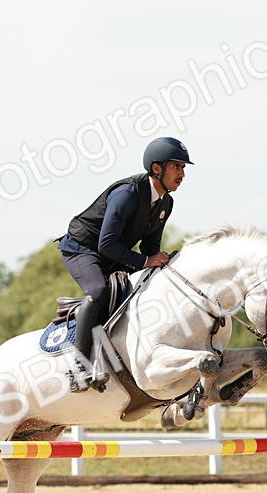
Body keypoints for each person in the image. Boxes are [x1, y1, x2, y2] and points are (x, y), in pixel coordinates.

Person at [56, 136, 192, 392]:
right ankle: (79, 368)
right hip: (82, 248)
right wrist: (146, 261)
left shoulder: (166, 202)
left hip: (111, 252)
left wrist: (162, 263)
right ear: (156, 168)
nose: (182, 174)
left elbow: (149, 248)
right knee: (98, 291)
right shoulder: (127, 194)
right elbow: (107, 244)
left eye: (184, 168)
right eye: (177, 166)